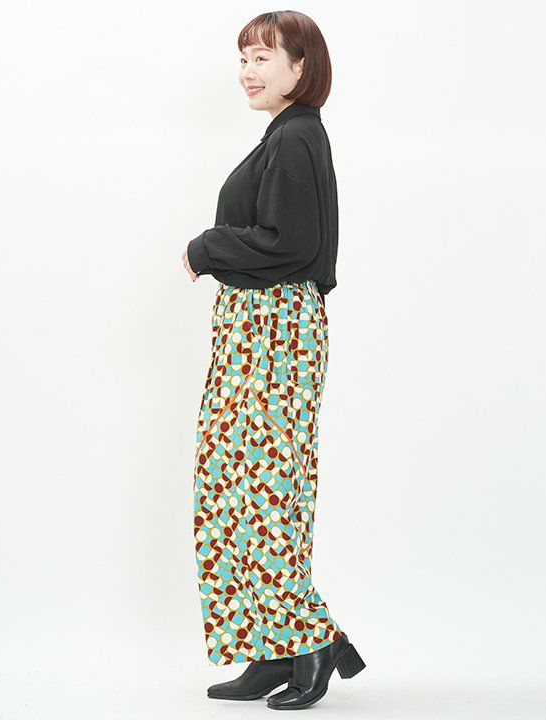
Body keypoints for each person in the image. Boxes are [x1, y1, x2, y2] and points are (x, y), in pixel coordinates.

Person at [181, 11, 366, 711]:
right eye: (244, 59)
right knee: (231, 491)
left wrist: (205, 248)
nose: (248, 72)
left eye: (263, 57)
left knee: (262, 493)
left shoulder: (294, 137)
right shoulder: (286, 136)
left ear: (301, 65)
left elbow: (291, 243)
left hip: (274, 329)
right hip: (257, 328)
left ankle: (312, 641)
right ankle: (271, 647)